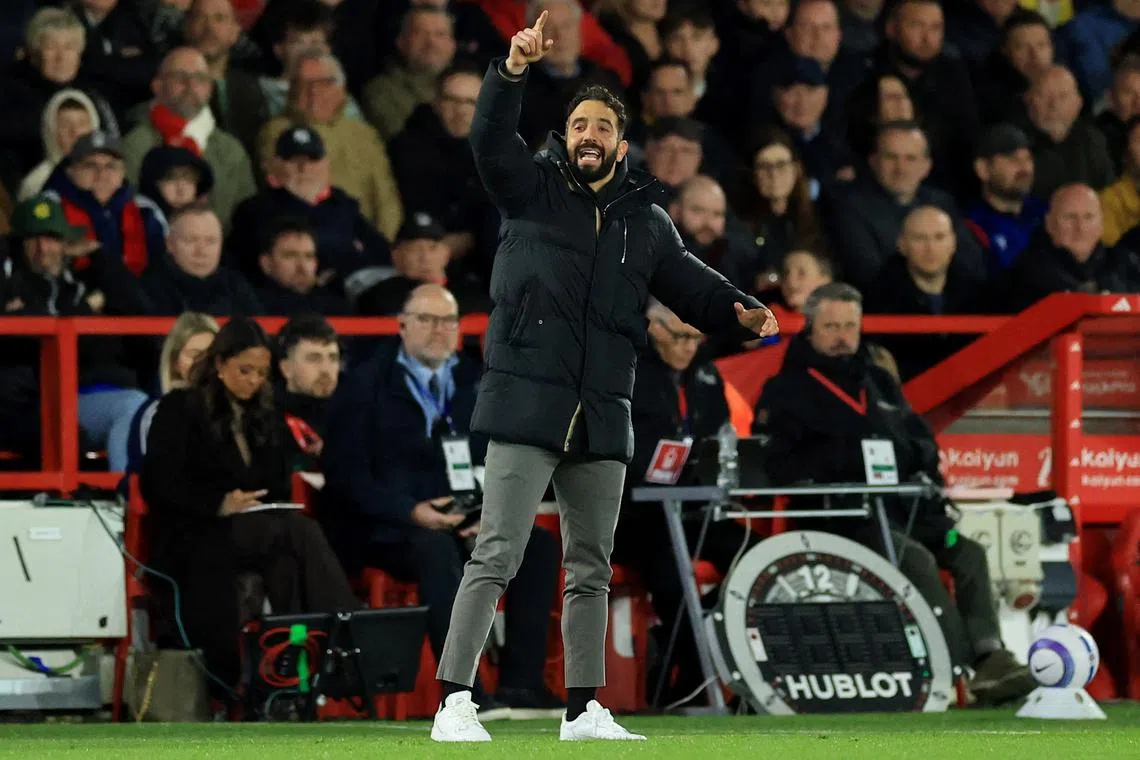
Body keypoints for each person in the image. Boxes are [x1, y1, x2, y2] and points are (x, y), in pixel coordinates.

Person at [428, 12, 778, 743]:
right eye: (578, 124)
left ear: (622, 143)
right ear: (567, 135)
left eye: (601, 127)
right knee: (498, 551)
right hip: (526, 403)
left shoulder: (645, 220)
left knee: (592, 565)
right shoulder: (528, 187)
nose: (588, 135)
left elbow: (688, 283)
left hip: (601, 409)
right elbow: (490, 137)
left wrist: (738, 309)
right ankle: (453, 702)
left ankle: (583, 709)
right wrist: (513, 70)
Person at [754, 282, 1036, 706]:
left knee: (968, 552)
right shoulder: (785, 390)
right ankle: (963, 669)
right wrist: (847, 457)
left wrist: (917, 461)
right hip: (841, 518)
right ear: (810, 327)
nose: (842, 336)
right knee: (916, 560)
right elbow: (778, 465)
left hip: (906, 511)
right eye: (831, 325)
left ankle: (990, 653)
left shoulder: (879, 382)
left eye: (850, 326)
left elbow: (922, 440)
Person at [323, 284, 561, 719]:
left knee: (537, 546)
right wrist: (411, 511)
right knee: (433, 550)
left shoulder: (479, 382)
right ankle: (462, 692)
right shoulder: (363, 386)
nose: (438, 330)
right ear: (401, 325)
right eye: (427, 320)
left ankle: (520, 685)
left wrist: (484, 512)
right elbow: (347, 477)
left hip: (464, 518)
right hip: (389, 525)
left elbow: (500, 456)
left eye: (448, 321)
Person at [140, 317, 360, 692]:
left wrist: (260, 499)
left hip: (255, 530)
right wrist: (218, 502)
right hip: (195, 530)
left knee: (287, 561)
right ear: (220, 364)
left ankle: (289, 682)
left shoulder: (265, 412)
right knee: (300, 530)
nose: (254, 380)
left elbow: (275, 482)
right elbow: (158, 484)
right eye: (245, 370)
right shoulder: (180, 409)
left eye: (261, 372)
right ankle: (352, 638)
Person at [124, 311, 219, 478]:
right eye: (194, 355)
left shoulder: (234, 409)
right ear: (175, 362)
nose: (202, 364)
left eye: (210, 356)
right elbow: (154, 479)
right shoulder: (156, 412)